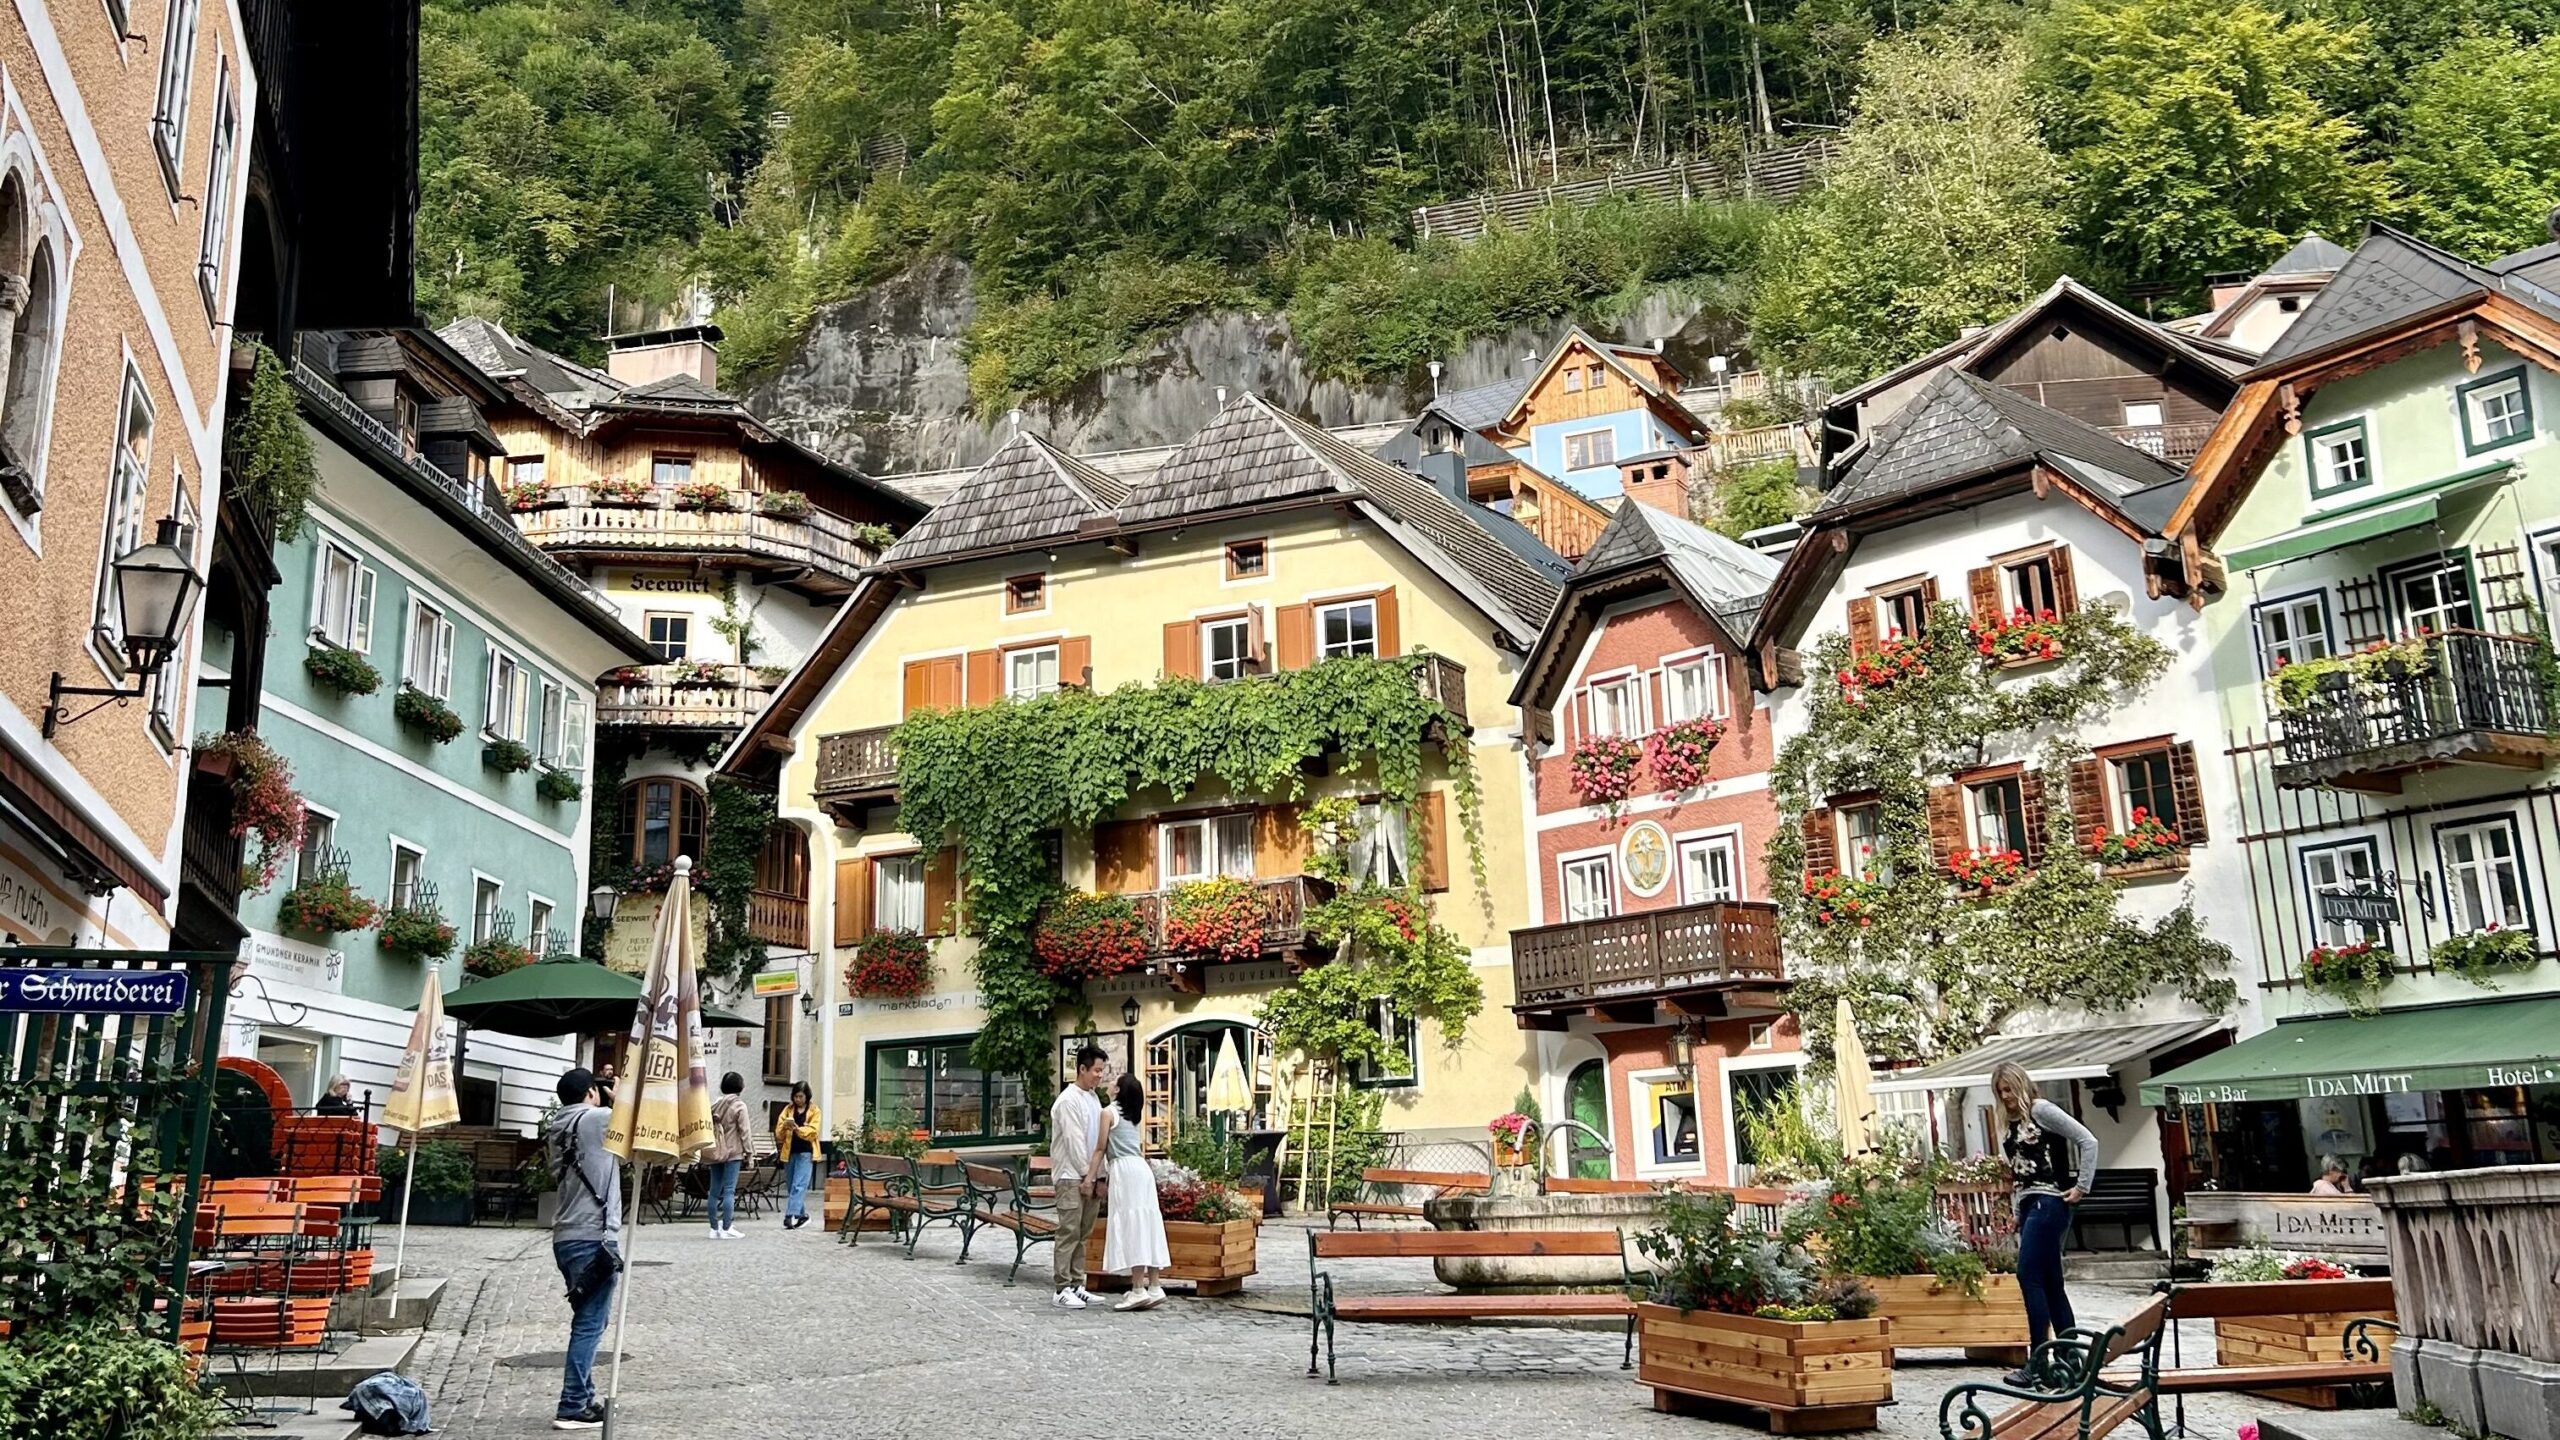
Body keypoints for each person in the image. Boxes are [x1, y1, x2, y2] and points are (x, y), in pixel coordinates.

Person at [1991, 1060, 2097, 1373]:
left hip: (2050, 1201)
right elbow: (2018, 1173)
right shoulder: (2012, 1121)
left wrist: (2082, 1187)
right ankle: (2069, 1359)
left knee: (2028, 1275)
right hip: (2029, 1204)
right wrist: (2014, 1212)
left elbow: (2088, 1141)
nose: (2006, 1096)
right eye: (2001, 1092)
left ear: (2021, 1085)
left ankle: (2037, 1361)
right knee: (2051, 1283)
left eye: (2009, 1089)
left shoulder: (2042, 1110)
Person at [546, 1067, 620, 1431]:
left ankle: (584, 1396)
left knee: (590, 1319)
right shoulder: (597, 1120)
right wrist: (617, 1094)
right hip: (594, 1236)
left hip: (565, 1235)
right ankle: (573, 1404)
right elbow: (636, 1121)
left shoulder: (558, 1127)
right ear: (591, 1091)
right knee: (589, 1324)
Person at [1094, 1072, 1169, 1310]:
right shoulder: (1132, 1116)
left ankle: (1137, 1288)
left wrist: (1091, 1177)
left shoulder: (1108, 1112)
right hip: (1141, 1168)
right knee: (1147, 1223)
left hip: (1124, 1170)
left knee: (1132, 1225)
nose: (1109, 1082)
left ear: (1117, 1090)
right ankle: (1154, 1285)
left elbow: (1100, 1148)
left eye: (1114, 1082)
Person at [1049, 1044, 1109, 1309]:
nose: (1099, 1075)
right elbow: (1074, 1143)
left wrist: (1100, 1176)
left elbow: (1098, 1141)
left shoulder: (1093, 1098)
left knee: (1083, 1232)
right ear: (1082, 1069)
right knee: (1069, 1231)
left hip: (1089, 1175)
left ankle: (1077, 1283)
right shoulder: (1067, 1101)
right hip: (1071, 1176)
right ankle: (1062, 1287)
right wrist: (1087, 1176)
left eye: (1102, 1071)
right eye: (1096, 1070)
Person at [708, 1072, 751, 1240]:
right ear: (740, 1087)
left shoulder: (715, 1104)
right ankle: (727, 1227)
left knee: (713, 1191)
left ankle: (713, 1228)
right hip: (733, 1153)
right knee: (729, 1191)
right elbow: (745, 1131)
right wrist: (749, 1153)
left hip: (715, 1152)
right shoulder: (739, 1106)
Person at [774, 1081, 821, 1230]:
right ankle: (802, 1216)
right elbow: (778, 1133)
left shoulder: (814, 1111)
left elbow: (813, 1131)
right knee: (790, 1186)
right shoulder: (788, 1110)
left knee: (799, 1185)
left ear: (807, 1096)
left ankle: (790, 1216)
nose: (798, 1099)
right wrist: (785, 1127)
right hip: (789, 1151)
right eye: (795, 1096)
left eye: (800, 1096)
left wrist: (798, 1129)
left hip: (806, 1152)